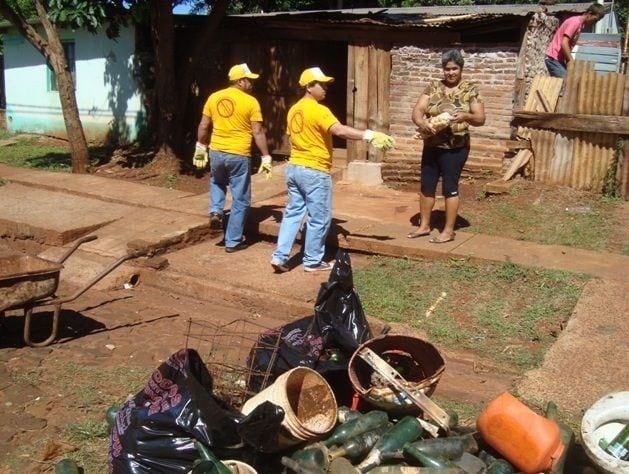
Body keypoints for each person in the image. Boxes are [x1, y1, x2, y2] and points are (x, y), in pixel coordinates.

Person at [270, 67, 395, 273]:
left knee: (293, 213)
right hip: (315, 169)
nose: (326, 88)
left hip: (295, 167)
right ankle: (312, 261)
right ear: (309, 87)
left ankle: (280, 255)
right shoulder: (320, 110)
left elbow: (291, 139)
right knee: (319, 217)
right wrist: (369, 135)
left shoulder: (294, 110)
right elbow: (339, 130)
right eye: (321, 84)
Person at [193, 63, 272, 253]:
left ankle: (216, 211)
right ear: (240, 81)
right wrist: (266, 156)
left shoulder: (214, 97)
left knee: (217, 182)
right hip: (239, 153)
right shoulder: (251, 102)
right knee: (241, 198)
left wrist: (201, 145)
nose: (252, 84)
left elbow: (204, 126)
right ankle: (233, 241)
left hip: (216, 151)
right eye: (249, 80)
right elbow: (258, 132)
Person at [407, 50, 485, 244]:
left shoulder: (470, 90)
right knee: (427, 185)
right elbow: (418, 110)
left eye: (454, 69)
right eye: (447, 69)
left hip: (456, 148)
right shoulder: (433, 86)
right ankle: (424, 226)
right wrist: (421, 122)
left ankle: (448, 231)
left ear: (461, 69)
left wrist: (465, 116)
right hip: (432, 145)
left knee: (449, 187)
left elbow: (480, 118)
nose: (450, 73)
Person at [545, 3, 605, 78]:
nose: (595, 23)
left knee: (570, 80)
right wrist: (571, 61)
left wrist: (569, 63)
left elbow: (568, 46)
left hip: (559, 60)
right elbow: (564, 43)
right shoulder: (575, 22)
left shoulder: (581, 25)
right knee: (566, 83)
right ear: (589, 13)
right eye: (595, 19)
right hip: (553, 58)